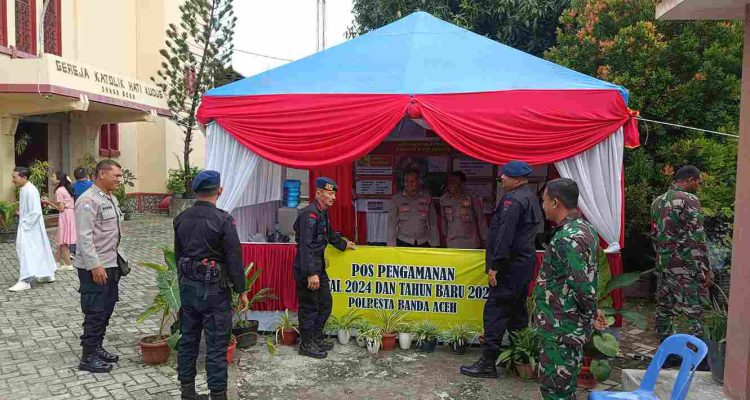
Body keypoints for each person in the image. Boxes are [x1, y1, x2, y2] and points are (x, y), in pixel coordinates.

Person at [460, 161, 542, 378]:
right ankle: (519, 359)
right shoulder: (530, 197)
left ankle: (488, 364)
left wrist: (495, 266)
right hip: (522, 266)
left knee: (495, 314)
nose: (502, 178)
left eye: (506, 175)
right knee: (517, 315)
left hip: (508, 269)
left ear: (517, 178)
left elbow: (505, 236)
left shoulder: (512, 201)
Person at [173, 170, 248, 400]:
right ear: (220, 191)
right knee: (216, 345)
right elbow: (234, 258)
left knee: (188, 340)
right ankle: (218, 395)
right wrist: (241, 290)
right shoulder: (223, 220)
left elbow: (178, 255)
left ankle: (187, 392)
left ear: (195, 191)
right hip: (214, 292)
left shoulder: (181, 218)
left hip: (188, 288)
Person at [533, 178, 606, 400]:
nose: (543, 205)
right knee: (563, 389)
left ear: (555, 202)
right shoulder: (585, 228)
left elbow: (582, 286)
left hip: (561, 328)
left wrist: (590, 314)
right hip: (564, 325)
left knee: (556, 391)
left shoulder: (567, 238)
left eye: (544, 200)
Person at [651, 165, 712, 370]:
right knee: (694, 309)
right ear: (690, 180)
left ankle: (666, 355)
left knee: (664, 309)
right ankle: (699, 359)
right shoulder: (689, 200)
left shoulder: (657, 201)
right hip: (685, 265)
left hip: (663, 264)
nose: (698, 186)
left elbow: (656, 234)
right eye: (698, 182)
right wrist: (705, 267)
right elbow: (696, 236)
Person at [294, 177, 356, 359]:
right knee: (309, 307)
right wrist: (311, 273)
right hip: (308, 268)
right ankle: (306, 344)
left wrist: (343, 244)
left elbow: (328, 234)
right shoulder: (309, 214)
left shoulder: (322, 212)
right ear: (318, 193)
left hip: (318, 266)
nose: (333, 197)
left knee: (325, 303)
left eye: (334, 194)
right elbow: (305, 246)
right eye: (330, 193)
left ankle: (315, 337)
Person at [74, 160, 125, 373]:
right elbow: (84, 237)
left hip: (111, 262)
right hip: (95, 266)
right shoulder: (88, 200)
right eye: (117, 176)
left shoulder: (110, 197)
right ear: (102, 174)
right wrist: (95, 265)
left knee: (107, 307)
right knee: (95, 310)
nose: (120, 180)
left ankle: (97, 347)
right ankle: (88, 357)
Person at [8, 167, 57, 292]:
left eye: (14, 177)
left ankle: (25, 280)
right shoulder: (25, 189)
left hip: (30, 227)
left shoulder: (30, 190)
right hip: (31, 226)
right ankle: (46, 274)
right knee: (38, 249)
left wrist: (25, 224)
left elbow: (35, 213)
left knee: (25, 251)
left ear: (24, 177)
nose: (13, 179)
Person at [387, 168, 439, 247]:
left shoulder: (427, 198)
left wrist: (435, 244)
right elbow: (391, 224)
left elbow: (433, 223)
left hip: (423, 241)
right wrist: (391, 246)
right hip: (403, 241)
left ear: (418, 182)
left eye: (412, 181)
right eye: (407, 181)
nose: (409, 184)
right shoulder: (396, 199)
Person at [439, 171, 487, 248]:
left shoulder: (472, 198)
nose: (451, 184)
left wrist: (485, 240)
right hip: (452, 243)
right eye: (449, 182)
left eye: (454, 181)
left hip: (471, 243)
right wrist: (443, 240)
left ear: (462, 183)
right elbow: (444, 221)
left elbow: (481, 220)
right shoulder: (444, 200)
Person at [42, 171, 77, 271]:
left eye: (53, 177)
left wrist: (48, 202)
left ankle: (68, 264)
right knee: (62, 240)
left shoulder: (59, 191)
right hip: (70, 214)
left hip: (65, 215)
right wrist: (49, 201)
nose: (51, 178)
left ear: (58, 180)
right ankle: (56, 262)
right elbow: (63, 203)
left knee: (63, 241)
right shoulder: (65, 188)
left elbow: (61, 208)